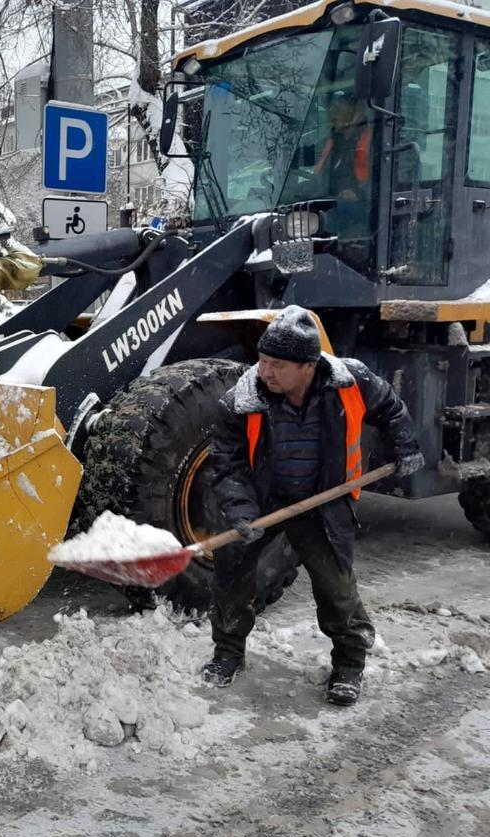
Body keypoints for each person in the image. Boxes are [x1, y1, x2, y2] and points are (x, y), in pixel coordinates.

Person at [204, 306, 423, 706]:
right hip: (261, 497)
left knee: (336, 584)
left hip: (324, 496)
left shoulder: (350, 381)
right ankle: (228, 653)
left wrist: (406, 446)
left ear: (308, 365)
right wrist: (240, 512)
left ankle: (349, 665)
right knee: (232, 580)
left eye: (277, 365)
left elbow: (391, 408)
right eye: (263, 360)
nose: (265, 372)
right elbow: (227, 464)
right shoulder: (241, 400)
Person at [315, 93, 373, 233]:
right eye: (333, 110)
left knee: (322, 219)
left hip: (365, 205)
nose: (333, 115)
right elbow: (307, 155)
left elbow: (384, 181)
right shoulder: (336, 141)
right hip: (332, 198)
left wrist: (358, 194)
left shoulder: (372, 141)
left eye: (339, 111)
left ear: (355, 114)